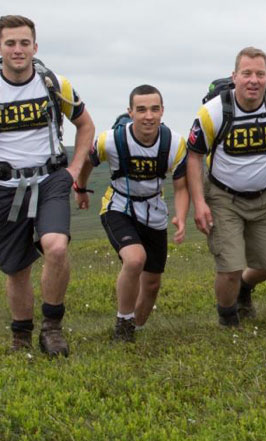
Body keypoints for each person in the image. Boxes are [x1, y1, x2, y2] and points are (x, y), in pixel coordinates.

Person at [0, 15, 95, 355]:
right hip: (6, 187)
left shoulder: (54, 85)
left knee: (56, 247)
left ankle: (52, 328)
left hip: (51, 180)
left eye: (24, 43)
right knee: (17, 269)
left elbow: (86, 126)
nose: (18, 49)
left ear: (35, 46)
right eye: (11, 43)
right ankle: (21, 337)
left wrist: (74, 170)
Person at [187, 47, 266, 327]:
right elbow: (194, 156)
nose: (254, 80)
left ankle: (244, 288)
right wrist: (199, 203)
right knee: (230, 267)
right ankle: (228, 319)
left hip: (263, 198)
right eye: (247, 73)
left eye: (260, 74)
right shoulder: (213, 112)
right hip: (222, 196)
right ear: (234, 77)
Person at [74, 85, 188, 342]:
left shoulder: (174, 143)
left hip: (154, 211)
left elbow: (181, 187)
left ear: (162, 111)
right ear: (130, 112)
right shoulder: (111, 140)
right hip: (118, 206)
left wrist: (181, 217)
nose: (149, 116)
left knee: (152, 283)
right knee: (135, 260)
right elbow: (88, 161)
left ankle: (135, 328)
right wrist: (80, 189)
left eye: (154, 109)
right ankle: (123, 323)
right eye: (141, 110)